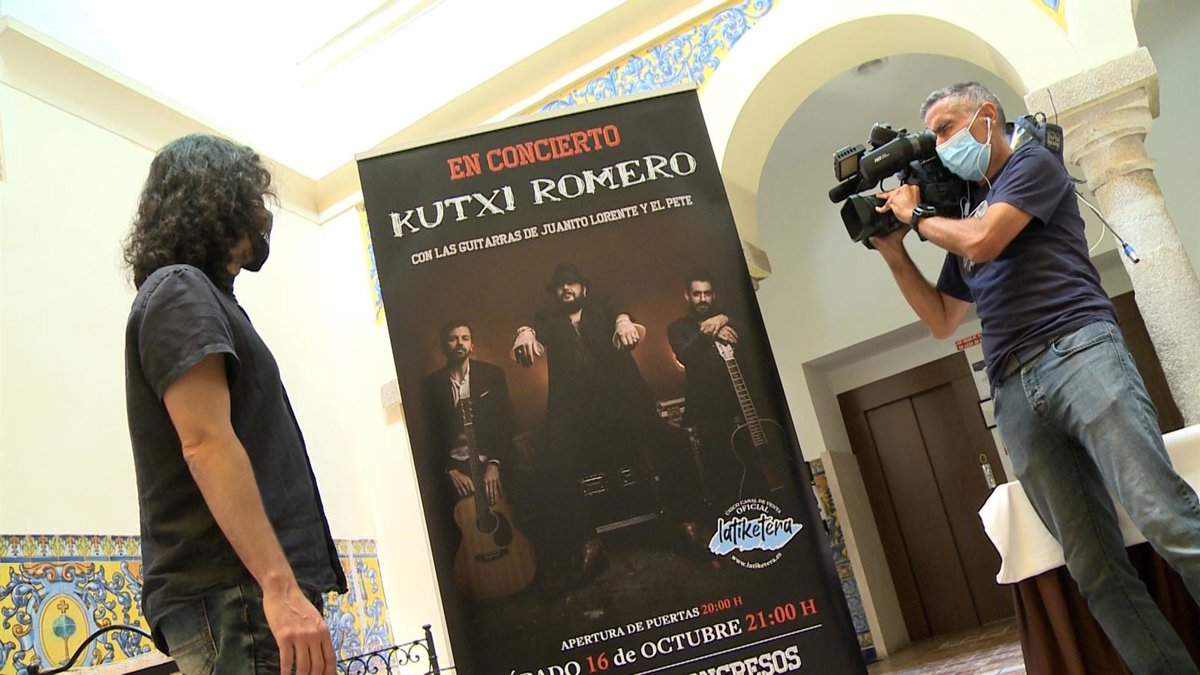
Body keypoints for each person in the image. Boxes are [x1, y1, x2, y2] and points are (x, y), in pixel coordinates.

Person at [872, 81, 1200, 672]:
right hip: (1012, 389)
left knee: (1165, 516)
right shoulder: (965, 211)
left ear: (986, 116)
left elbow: (985, 241)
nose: (940, 146)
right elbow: (943, 320)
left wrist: (916, 217)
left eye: (945, 128)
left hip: (1078, 349)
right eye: (934, 136)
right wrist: (895, 252)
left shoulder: (1032, 163)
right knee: (1094, 570)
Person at [123, 134, 346, 675]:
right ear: (215, 197)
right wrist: (280, 588)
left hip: (244, 597)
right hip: (239, 597)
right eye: (250, 196)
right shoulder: (180, 288)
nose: (260, 213)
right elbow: (205, 444)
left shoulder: (200, 295)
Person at [512, 263, 707, 586]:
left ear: (584, 288)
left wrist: (624, 322)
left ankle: (688, 525)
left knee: (674, 442)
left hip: (623, 410)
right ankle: (587, 545)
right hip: (578, 420)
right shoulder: (548, 319)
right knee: (551, 462)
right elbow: (532, 332)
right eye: (560, 285)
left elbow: (623, 319)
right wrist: (524, 333)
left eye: (572, 283)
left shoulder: (604, 308)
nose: (566, 289)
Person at [667, 270, 758, 503]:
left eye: (707, 294)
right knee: (722, 474)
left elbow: (749, 331)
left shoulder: (729, 318)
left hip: (741, 406)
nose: (702, 299)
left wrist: (724, 318)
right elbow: (685, 355)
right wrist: (708, 331)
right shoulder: (677, 328)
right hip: (706, 414)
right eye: (697, 294)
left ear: (714, 295)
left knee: (753, 468)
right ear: (687, 296)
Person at [420, 320, 517, 513]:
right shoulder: (431, 385)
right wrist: (450, 470)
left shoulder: (493, 375)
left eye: (465, 338)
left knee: (520, 491)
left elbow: (506, 422)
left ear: (472, 345)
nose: (460, 343)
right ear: (443, 347)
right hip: (455, 465)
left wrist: (494, 463)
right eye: (453, 339)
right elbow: (430, 436)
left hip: (491, 459)